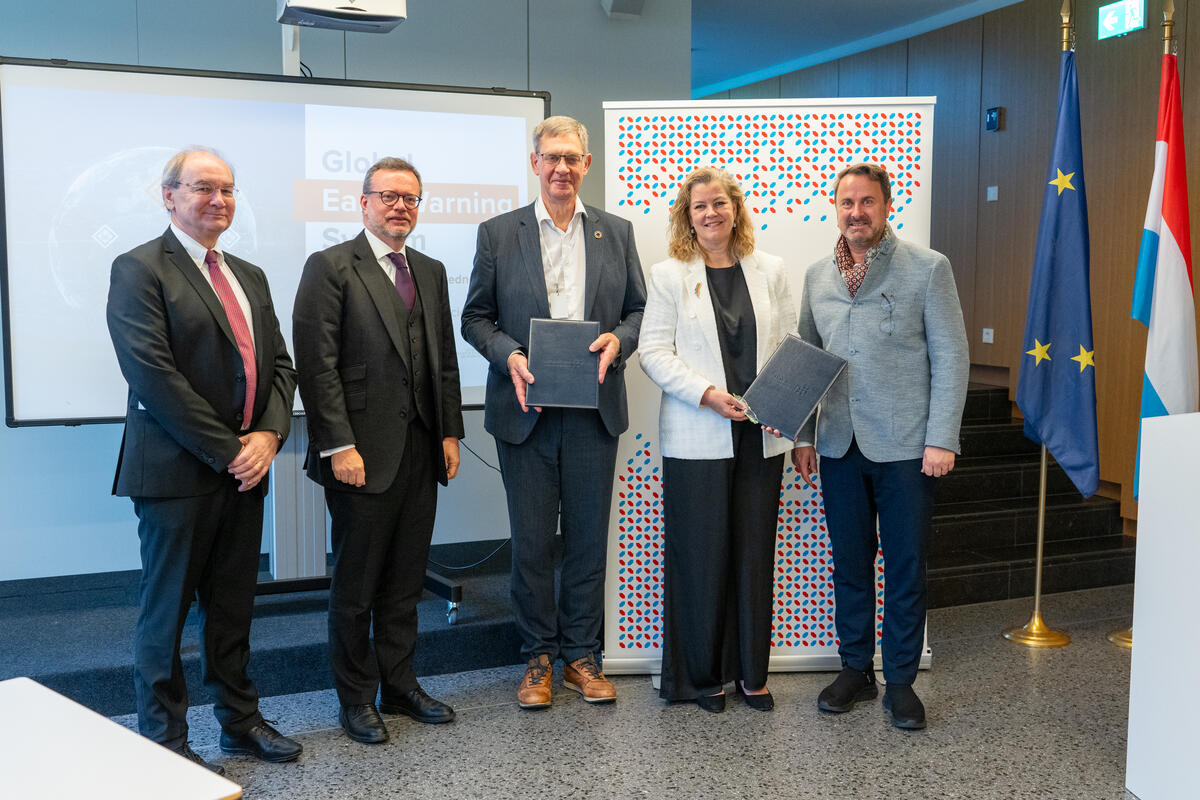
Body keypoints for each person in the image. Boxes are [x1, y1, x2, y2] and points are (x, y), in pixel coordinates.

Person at [106, 147, 302, 772]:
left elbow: (278, 366)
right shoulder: (138, 268)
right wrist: (229, 452)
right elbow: (152, 375)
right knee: (165, 615)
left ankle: (239, 723)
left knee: (233, 608)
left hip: (247, 467)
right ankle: (164, 742)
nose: (218, 200)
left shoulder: (249, 273)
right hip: (178, 472)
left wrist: (268, 438)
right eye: (203, 188)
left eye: (228, 189)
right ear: (168, 195)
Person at [462, 115, 646, 709]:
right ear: (534, 163)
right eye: (551, 158)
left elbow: (639, 312)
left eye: (572, 157)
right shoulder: (498, 233)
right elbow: (475, 318)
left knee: (589, 541)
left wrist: (620, 341)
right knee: (534, 542)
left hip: (594, 411)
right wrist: (509, 354)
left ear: (587, 164)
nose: (561, 168)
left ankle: (582, 658)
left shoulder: (617, 232)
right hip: (526, 408)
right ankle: (538, 658)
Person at [293, 157, 465, 744]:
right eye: (388, 196)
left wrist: (448, 432)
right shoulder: (331, 266)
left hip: (420, 449)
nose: (399, 207)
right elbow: (316, 366)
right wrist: (338, 443)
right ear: (363, 202)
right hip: (359, 453)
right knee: (357, 584)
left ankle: (400, 684)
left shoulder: (432, 270)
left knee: (404, 579)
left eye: (411, 199)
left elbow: (441, 356)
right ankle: (355, 698)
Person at [794, 162, 969, 730]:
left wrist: (942, 437)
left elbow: (952, 357)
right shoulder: (818, 275)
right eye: (847, 203)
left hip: (905, 448)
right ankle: (855, 670)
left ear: (886, 206)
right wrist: (801, 434)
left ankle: (899, 681)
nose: (856, 213)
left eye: (867, 202)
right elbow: (805, 361)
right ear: (836, 207)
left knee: (904, 565)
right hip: (839, 444)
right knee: (848, 562)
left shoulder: (928, 268)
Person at [639, 167, 797, 713]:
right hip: (697, 436)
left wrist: (790, 410)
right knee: (702, 557)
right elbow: (654, 352)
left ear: (736, 210)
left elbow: (789, 347)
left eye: (720, 204)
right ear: (687, 215)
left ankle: (753, 674)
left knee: (755, 556)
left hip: (761, 436)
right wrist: (707, 393)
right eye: (699, 206)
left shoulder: (771, 269)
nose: (711, 213)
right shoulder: (668, 275)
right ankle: (703, 678)